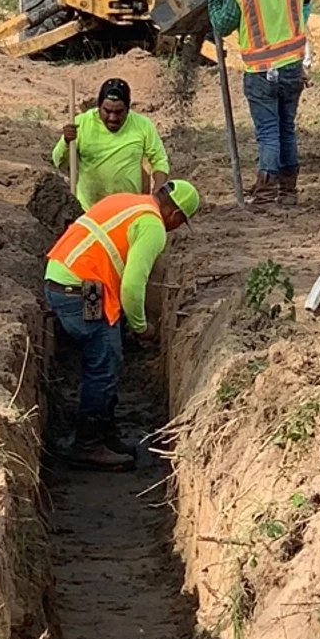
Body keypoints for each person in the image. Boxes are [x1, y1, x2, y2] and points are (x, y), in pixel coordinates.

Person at [44, 180, 200, 468]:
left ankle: (105, 435)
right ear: (176, 215)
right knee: (104, 363)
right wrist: (141, 327)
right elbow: (132, 286)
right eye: (180, 223)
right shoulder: (152, 226)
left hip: (66, 279)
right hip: (81, 289)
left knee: (104, 353)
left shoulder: (127, 202)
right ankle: (88, 445)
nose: (175, 228)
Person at [208, 0, 320, 207]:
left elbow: (220, 24)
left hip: (261, 73)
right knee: (286, 128)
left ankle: (266, 192)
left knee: (268, 133)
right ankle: (288, 191)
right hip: (292, 68)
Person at [51, 76, 171, 207]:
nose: (112, 118)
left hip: (128, 210)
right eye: (107, 111)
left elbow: (159, 161)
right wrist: (66, 141)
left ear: (128, 109)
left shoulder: (143, 126)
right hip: (90, 210)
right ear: (99, 107)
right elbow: (58, 162)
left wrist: (157, 195)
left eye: (119, 112)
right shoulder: (81, 124)